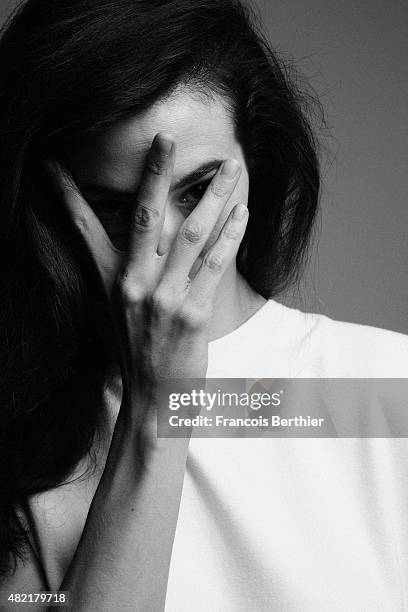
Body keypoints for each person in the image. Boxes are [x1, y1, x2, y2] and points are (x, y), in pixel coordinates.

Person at [0, 0, 407, 610]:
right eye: (115, 205)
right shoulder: (19, 442)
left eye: (196, 190)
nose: (160, 240)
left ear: (257, 164)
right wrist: (156, 413)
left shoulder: (386, 385)